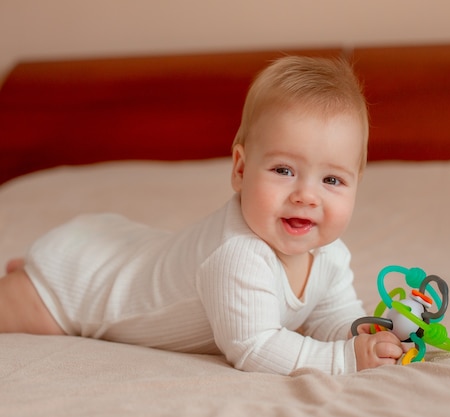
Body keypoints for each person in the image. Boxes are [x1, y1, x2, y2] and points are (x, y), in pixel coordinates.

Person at [0, 56, 405, 375]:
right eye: (284, 171)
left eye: (332, 180)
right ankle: (33, 280)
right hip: (80, 284)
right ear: (241, 170)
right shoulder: (238, 256)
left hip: (117, 249)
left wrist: (362, 334)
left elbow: (330, 316)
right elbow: (256, 346)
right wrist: (345, 360)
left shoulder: (331, 254)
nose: (306, 196)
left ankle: (30, 271)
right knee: (25, 310)